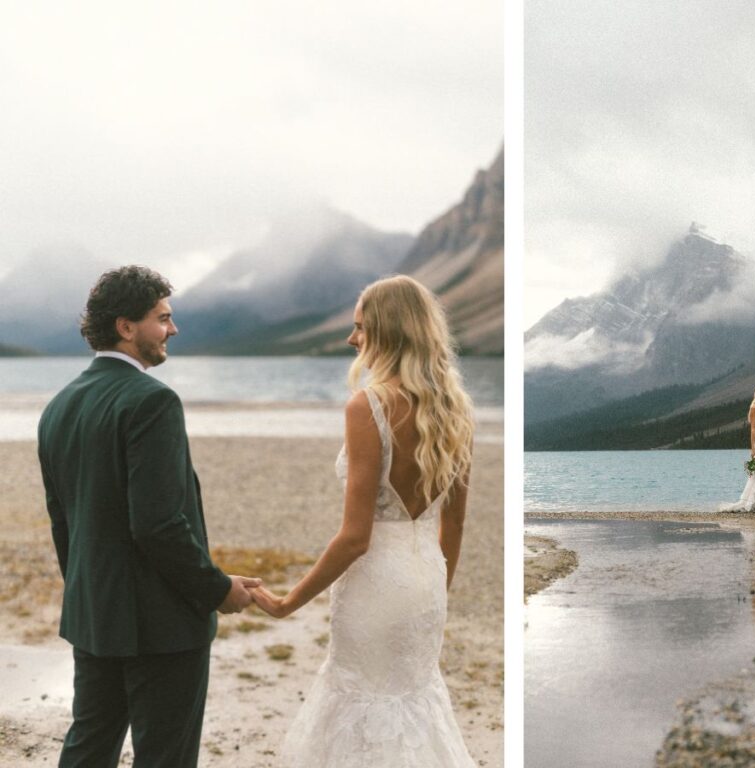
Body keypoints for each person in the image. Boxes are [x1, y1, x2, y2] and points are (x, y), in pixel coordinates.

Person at [37, 265, 261, 768]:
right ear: (126, 326)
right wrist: (217, 589)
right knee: (165, 758)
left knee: (88, 749)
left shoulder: (59, 406)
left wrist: (89, 592)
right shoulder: (152, 400)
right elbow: (158, 525)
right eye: (163, 318)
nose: (173, 330)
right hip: (161, 627)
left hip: (94, 613)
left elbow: (63, 525)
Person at [249, 275, 477, 767]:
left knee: (361, 705)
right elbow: (453, 527)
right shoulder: (456, 410)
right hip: (426, 583)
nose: (351, 339)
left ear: (388, 331)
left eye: (360, 328)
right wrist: (437, 588)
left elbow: (355, 539)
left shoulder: (369, 406)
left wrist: (289, 601)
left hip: (376, 584)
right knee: (413, 704)